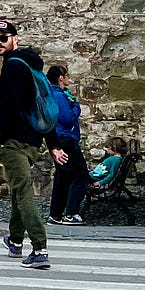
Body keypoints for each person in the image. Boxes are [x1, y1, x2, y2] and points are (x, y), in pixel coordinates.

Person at [0, 18, 67, 270]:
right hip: (33, 143)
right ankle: (14, 241)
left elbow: (14, 106)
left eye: (3, 38)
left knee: (22, 191)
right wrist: (53, 145)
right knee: (18, 188)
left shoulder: (13, 67)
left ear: (15, 39)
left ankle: (40, 248)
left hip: (13, 142)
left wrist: (2, 134)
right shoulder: (32, 66)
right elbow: (43, 108)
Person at [45, 65, 88, 225]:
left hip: (59, 138)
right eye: (67, 76)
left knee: (62, 177)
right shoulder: (59, 95)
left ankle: (55, 214)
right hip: (66, 139)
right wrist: (76, 106)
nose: (69, 78)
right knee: (80, 175)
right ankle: (71, 213)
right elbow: (68, 119)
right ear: (61, 78)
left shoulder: (50, 94)